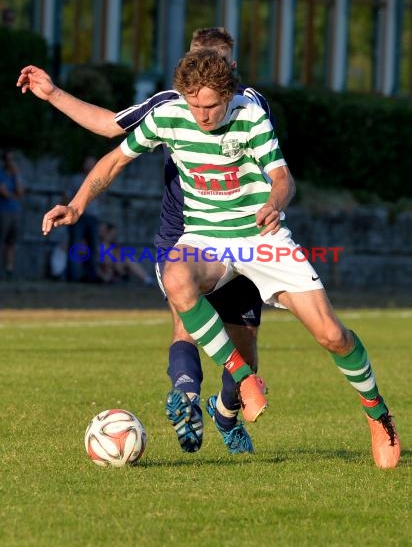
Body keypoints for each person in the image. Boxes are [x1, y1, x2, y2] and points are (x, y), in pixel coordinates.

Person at [41, 49, 400, 469]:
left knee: (332, 336)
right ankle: (242, 378)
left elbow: (283, 179)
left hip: (260, 238)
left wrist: (273, 201)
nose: (202, 115)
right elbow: (116, 158)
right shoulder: (169, 115)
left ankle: (379, 415)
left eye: (210, 106)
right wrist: (78, 204)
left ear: (228, 95)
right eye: (194, 105)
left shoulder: (250, 114)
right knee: (176, 278)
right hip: (206, 239)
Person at [17, 28, 269, 456]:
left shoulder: (251, 107)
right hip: (183, 235)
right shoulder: (167, 106)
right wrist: (53, 92)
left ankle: (225, 411)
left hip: (241, 237)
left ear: (231, 69)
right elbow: (109, 128)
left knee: (245, 347)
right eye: (195, 62)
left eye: (215, 62)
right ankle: (185, 396)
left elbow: (271, 169)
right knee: (185, 319)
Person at [67, 155, 101, 282]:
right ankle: (74, 275)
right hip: (78, 216)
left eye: (92, 162)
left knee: (93, 246)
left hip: (93, 217)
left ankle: (91, 275)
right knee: (75, 245)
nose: (90, 165)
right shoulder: (76, 179)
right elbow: (67, 195)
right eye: (88, 163)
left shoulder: (99, 178)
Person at [98, 221, 155, 286]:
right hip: (104, 271)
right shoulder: (97, 245)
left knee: (128, 259)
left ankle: (147, 279)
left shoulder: (114, 246)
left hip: (115, 269)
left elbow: (118, 261)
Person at [0, 150, 25, 279]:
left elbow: (20, 192)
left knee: (11, 243)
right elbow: (3, 192)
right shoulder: (1, 174)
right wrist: (14, 196)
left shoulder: (16, 176)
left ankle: (9, 270)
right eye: (9, 160)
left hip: (15, 212)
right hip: (3, 212)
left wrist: (17, 176)